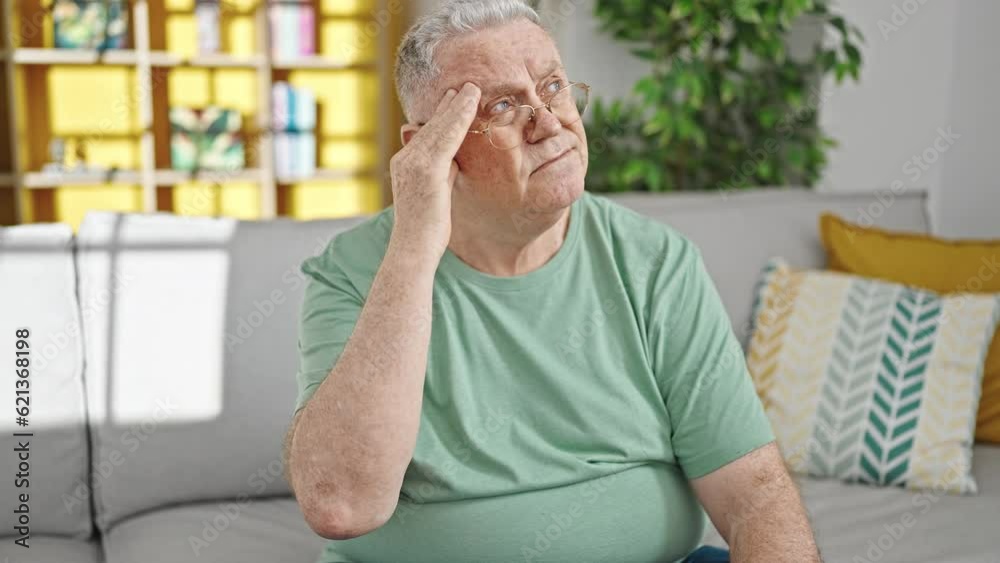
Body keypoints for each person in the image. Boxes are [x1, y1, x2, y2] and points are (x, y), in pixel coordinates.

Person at [283, 1, 821, 562]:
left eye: (554, 86)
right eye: (504, 105)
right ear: (428, 148)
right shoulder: (352, 271)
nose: (549, 121)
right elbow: (341, 505)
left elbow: (754, 495)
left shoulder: (656, 262)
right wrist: (416, 243)